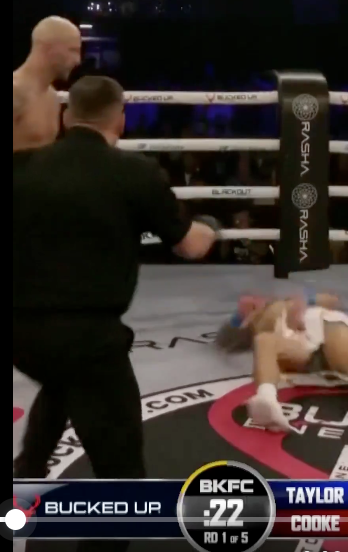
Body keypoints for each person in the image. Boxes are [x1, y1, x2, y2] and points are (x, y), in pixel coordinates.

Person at [13, 76, 219, 551]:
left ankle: (26, 475)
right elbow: (190, 246)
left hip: (21, 337)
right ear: (120, 120)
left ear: (67, 116)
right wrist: (211, 225)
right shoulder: (134, 172)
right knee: (124, 478)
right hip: (88, 340)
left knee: (61, 382)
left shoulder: (23, 165)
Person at [215, 292, 348, 441]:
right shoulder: (256, 323)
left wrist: (303, 300)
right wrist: (240, 317)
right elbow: (227, 340)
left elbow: (331, 299)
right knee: (264, 341)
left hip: (325, 328)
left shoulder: (294, 303)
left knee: (341, 339)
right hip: (300, 347)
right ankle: (266, 400)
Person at [13, 16, 82, 151]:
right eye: (72, 50)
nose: (77, 60)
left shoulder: (52, 97)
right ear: (49, 48)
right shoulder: (15, 91)